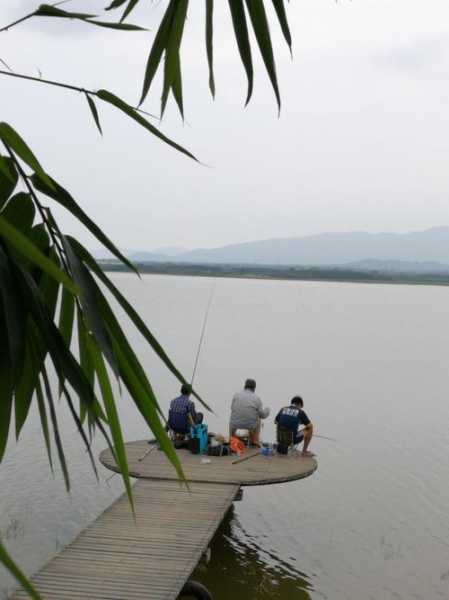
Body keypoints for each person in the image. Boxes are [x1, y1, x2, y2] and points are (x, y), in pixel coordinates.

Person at [229, 379, 270, 447]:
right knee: (258, 419)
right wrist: (267, 410)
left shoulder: (236, 395)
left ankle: (231, 438)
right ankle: (255, 440)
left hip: (234, 425)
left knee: (232, 418)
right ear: (254, 388)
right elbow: (263, 415)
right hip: (249, 426)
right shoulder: (256, 398)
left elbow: (232, 408)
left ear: (245, 386)